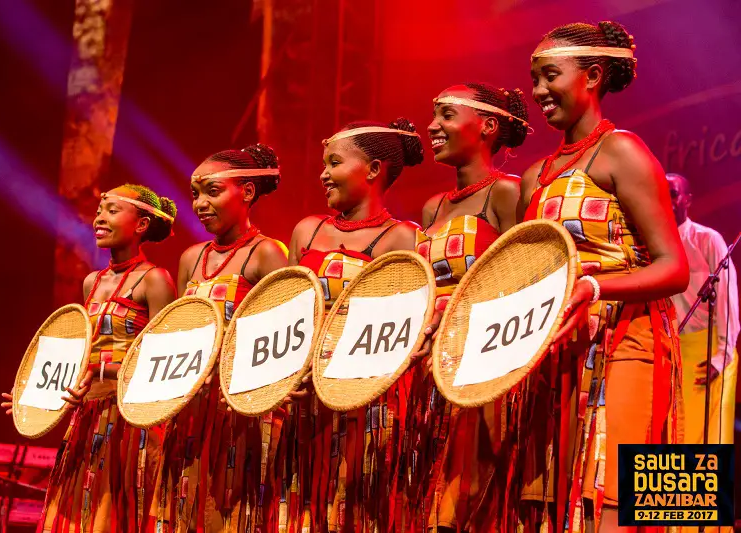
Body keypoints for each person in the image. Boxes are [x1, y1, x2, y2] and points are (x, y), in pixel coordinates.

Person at [518, 21, 689, 533]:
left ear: (593, 76)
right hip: (557, 352)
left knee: (615, 501)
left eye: (550, 76)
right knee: (550, 501)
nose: (538, 91)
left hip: (625, 344)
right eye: (534, 79)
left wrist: (595, 286)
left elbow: (673, 266)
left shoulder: (622, 151)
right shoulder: (535, 176)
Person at [2, 184, 178, 532]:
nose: (100, 217)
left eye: (113, 210)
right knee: (76, 513)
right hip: (89, 417)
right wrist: (38, 397)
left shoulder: (154, 280)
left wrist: (102, 371)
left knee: (116, 513)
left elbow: (166, 361)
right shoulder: (91, 283)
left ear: (141, 225)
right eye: (100, 210)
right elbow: (80, 356)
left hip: (130, 419)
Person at [281, 118, 423, 531]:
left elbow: (402, 326)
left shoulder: (403, 238)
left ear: (374, 170)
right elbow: (289, 314)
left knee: (358, 508)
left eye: (335, 163)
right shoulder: (308, 230)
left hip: (367, 398)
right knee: (304, 507)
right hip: (306, 397)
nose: (323, 173)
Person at [149, 144, 288, 533]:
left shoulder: (267, 254)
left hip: (240, 410)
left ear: (246, 192)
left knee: (233, 515)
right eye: (195, 193)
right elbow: (177, 334)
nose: (199, 203)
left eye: (212, 191)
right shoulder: (190, 258)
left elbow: (283, 340)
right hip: (193, 410)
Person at [411, 82, 528, 531]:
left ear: (488, 126)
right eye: (433, 114)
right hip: (432, 368)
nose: (432, 125)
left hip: (484, 365)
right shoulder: (432, 207)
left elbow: (524, 279)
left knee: (477, 495)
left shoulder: (507, 193)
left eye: (445, 115)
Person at [667, 173, 738, 446]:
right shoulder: (651, 243)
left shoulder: (707, 239)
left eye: (673, 193)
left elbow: (726, 300)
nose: (667, 200)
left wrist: (721, 356)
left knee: (704, 437)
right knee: (673, 435)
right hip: (672, 349)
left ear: (687, 199)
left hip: (708, 350)